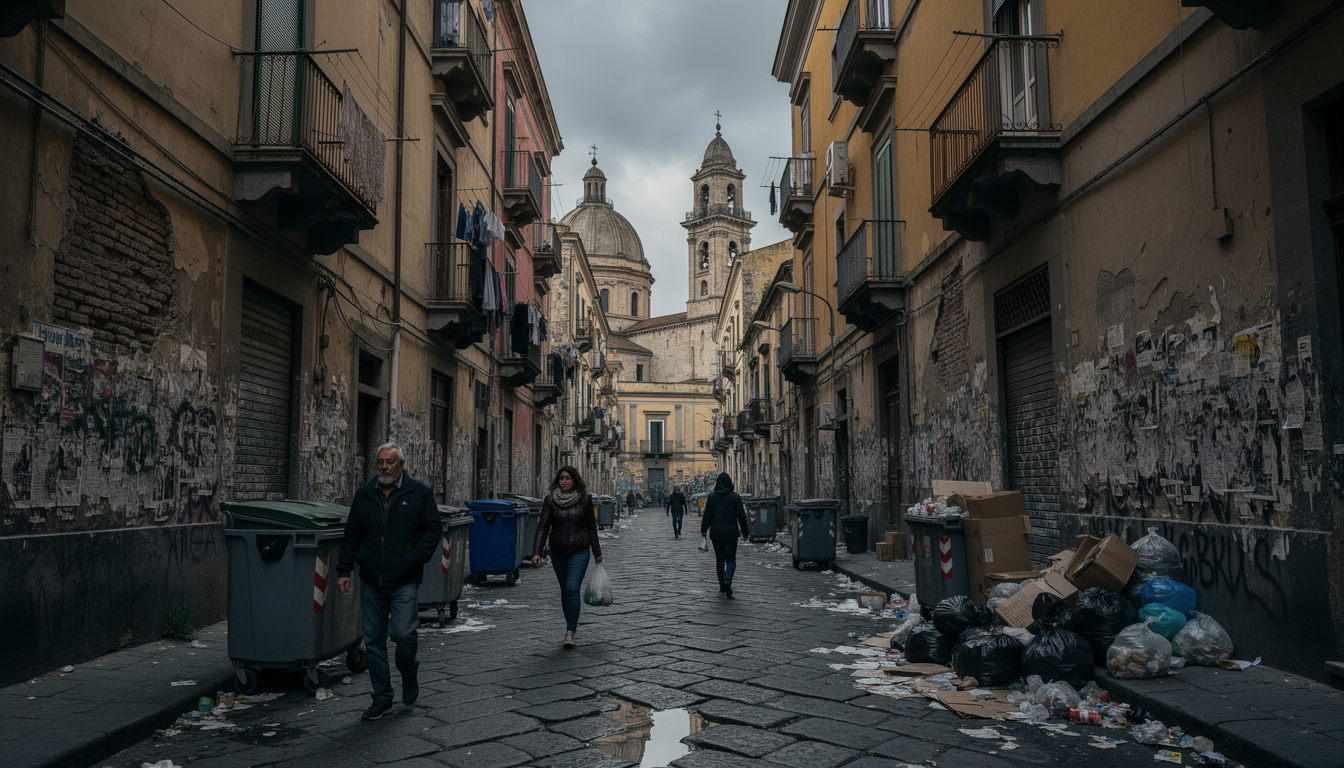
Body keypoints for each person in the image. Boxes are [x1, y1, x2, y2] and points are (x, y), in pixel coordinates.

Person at [336, 444, 439, 721]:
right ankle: (382, 698)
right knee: (374, 642)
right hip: (371, 579)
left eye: (390, 462)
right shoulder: (365, 494)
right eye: (380, 462)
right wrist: (344, 570)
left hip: (404, 578)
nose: (384, 467)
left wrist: (415, 557)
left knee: (404, 634)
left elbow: (433, 527)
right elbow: (351, 534)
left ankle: (409, 671)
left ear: (401, 465)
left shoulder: (418, 492)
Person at [532, 466, 603, 648]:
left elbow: (590, 527)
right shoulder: (550, 500)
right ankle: (569, 625)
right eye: (562, 478)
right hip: (557, 552)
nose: (564, 481)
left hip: (579, 550)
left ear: (575, 480)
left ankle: (570, 632)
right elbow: (543, 527)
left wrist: (597, 552)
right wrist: (537, 552)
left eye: (568, 478)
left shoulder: (584, 500)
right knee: (565, 590)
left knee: (572, 588)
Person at [700, 472, 749, 599]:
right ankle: (728, 578)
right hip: (731, 533)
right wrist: (745, 533)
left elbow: (707, 514)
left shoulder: (712, 497)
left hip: (716, 533)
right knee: (731, 560)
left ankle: (722, 585)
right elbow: (742, 516)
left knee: (719, 560)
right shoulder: (735, 497)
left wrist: (704, 529)